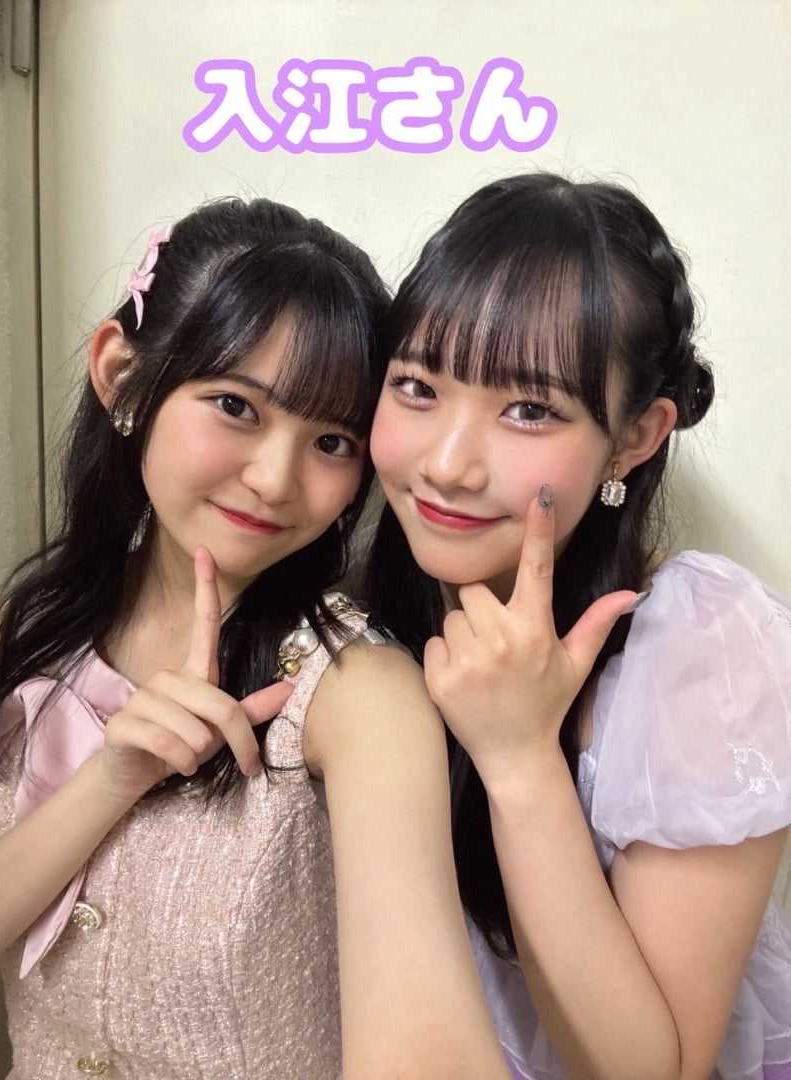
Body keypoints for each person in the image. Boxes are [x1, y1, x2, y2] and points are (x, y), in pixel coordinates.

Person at [0, 197, 509, 1079]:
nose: (274, 479)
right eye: (236, 405)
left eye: (331, 440)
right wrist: (110, 780)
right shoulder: (19, 634)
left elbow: (428, 1046)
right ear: (121, 375)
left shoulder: (358, 694)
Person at [362, 172, 791, 1080]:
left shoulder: (699, 649)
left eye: (529, 409)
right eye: (417, 385)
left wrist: (520, 758)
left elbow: (655, 1069)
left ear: (635, 438)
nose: (448, 464)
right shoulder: (362, 616)